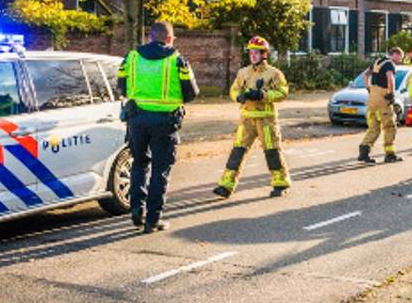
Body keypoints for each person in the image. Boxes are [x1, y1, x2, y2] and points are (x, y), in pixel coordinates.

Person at [116, 21, 198, 233]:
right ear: (169, 38)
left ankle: (137, 210)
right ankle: (153, 220)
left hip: (137, 120)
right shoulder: (177, 60)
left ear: (150, 37)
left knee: (139, 164)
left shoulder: (131, 57)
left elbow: (121, 86)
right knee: (161, 170)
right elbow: (192, 93)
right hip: (165, 122)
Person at [213, 36, 292, 199]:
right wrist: (238, 97)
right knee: (237, 152)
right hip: (247, 119)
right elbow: (234, 89)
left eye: (256, 52)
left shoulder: (274, 73)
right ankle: (226, 185)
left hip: (266, 119)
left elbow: (282, 92)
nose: (252, 55)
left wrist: (263, 95)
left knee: (272, 152)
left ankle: (280, 184)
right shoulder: (243, 72)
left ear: (264, 54)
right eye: (250, 53)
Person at [359, 46, 404, 164]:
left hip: (372, 97)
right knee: (390, 126)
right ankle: (390, 154)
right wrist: (391, 94)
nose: (400, 60)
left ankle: (364, 152)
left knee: (374, 127)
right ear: (395, 54)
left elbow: (365, 75)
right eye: (400, 57)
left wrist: (368, 87)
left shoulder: (377, 61)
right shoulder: (390, 64)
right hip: (382, 98)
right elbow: (390, 78)